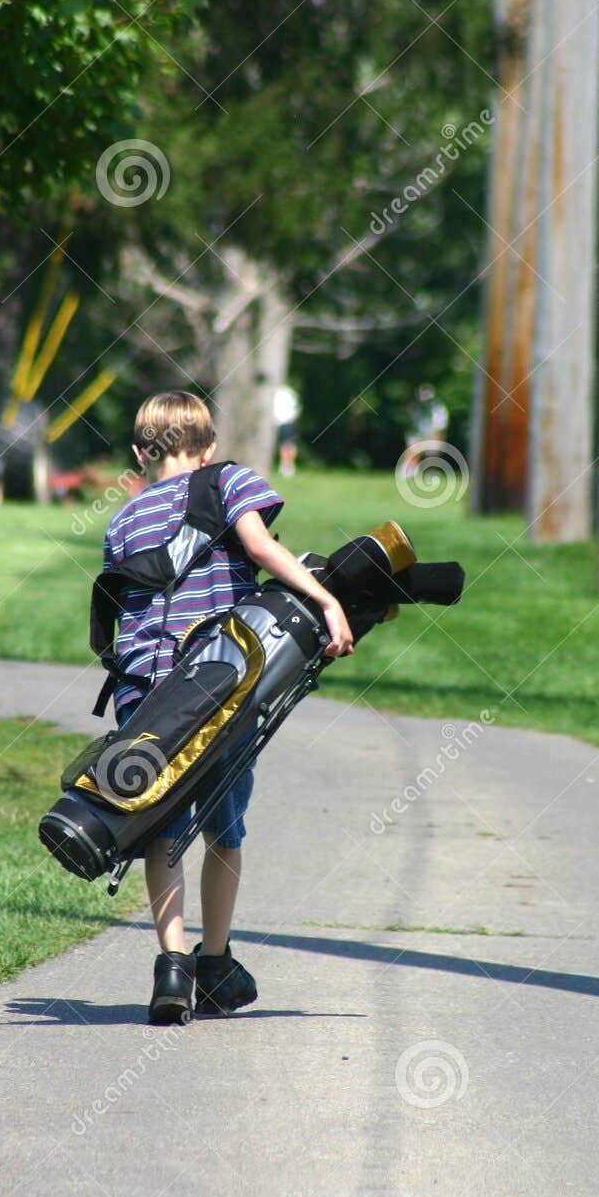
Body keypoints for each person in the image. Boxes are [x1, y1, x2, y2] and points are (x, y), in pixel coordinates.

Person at [103, 390, 354, 1025]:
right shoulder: (229, 481)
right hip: (217, 687)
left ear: (140, 452)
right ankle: (214, 961)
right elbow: (262, 548)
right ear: (209, 448)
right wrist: (326, 600)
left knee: (161, 826)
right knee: (222, 826)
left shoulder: (122, 521)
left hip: (145, 692)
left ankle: (171, 965)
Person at [273, 381, 300, 476]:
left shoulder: (282, 393)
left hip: (284, 422)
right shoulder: (288, 392)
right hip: (282, 422)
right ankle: (286, 466)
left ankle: (287, 466)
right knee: (288, 445)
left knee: (287, 445)